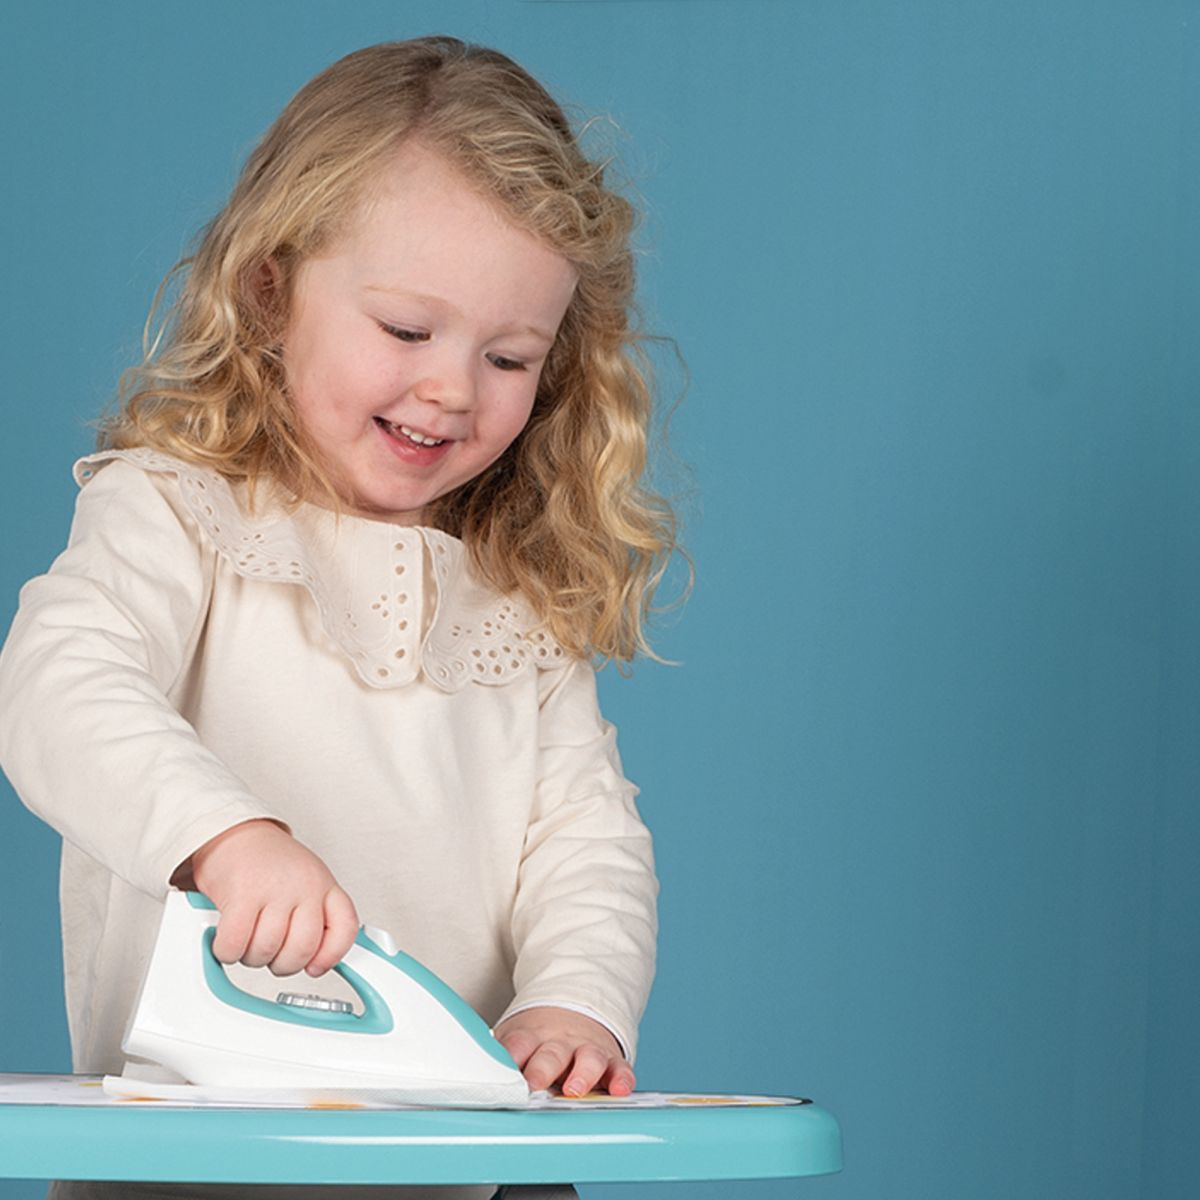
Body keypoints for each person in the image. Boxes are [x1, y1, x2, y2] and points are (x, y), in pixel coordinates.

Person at [0, 36, 678, 1200]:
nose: (452, 388)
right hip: (184, 1174)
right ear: (272, 290)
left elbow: (587, 844)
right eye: (408, 330)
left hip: (463, 1172)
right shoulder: (173, 515)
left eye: (509, 356)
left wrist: (575, 1001)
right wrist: (226, 839)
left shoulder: (517, 603)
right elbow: (57, 683)